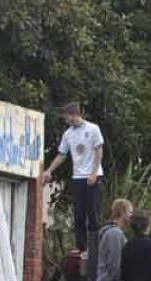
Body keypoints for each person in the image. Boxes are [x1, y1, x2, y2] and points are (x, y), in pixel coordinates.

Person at [42, 102, 105, 254]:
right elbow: (62, 154)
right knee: (78, 214)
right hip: (77, 177)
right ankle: (82, 246)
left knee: (93, 213)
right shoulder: (68, 134)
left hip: (93, 176)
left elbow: (98, 151)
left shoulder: (93, 129)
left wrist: (93, 172)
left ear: (74, 114)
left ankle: (94, 247)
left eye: (66, 117)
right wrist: (49, 170)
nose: (65, 120)